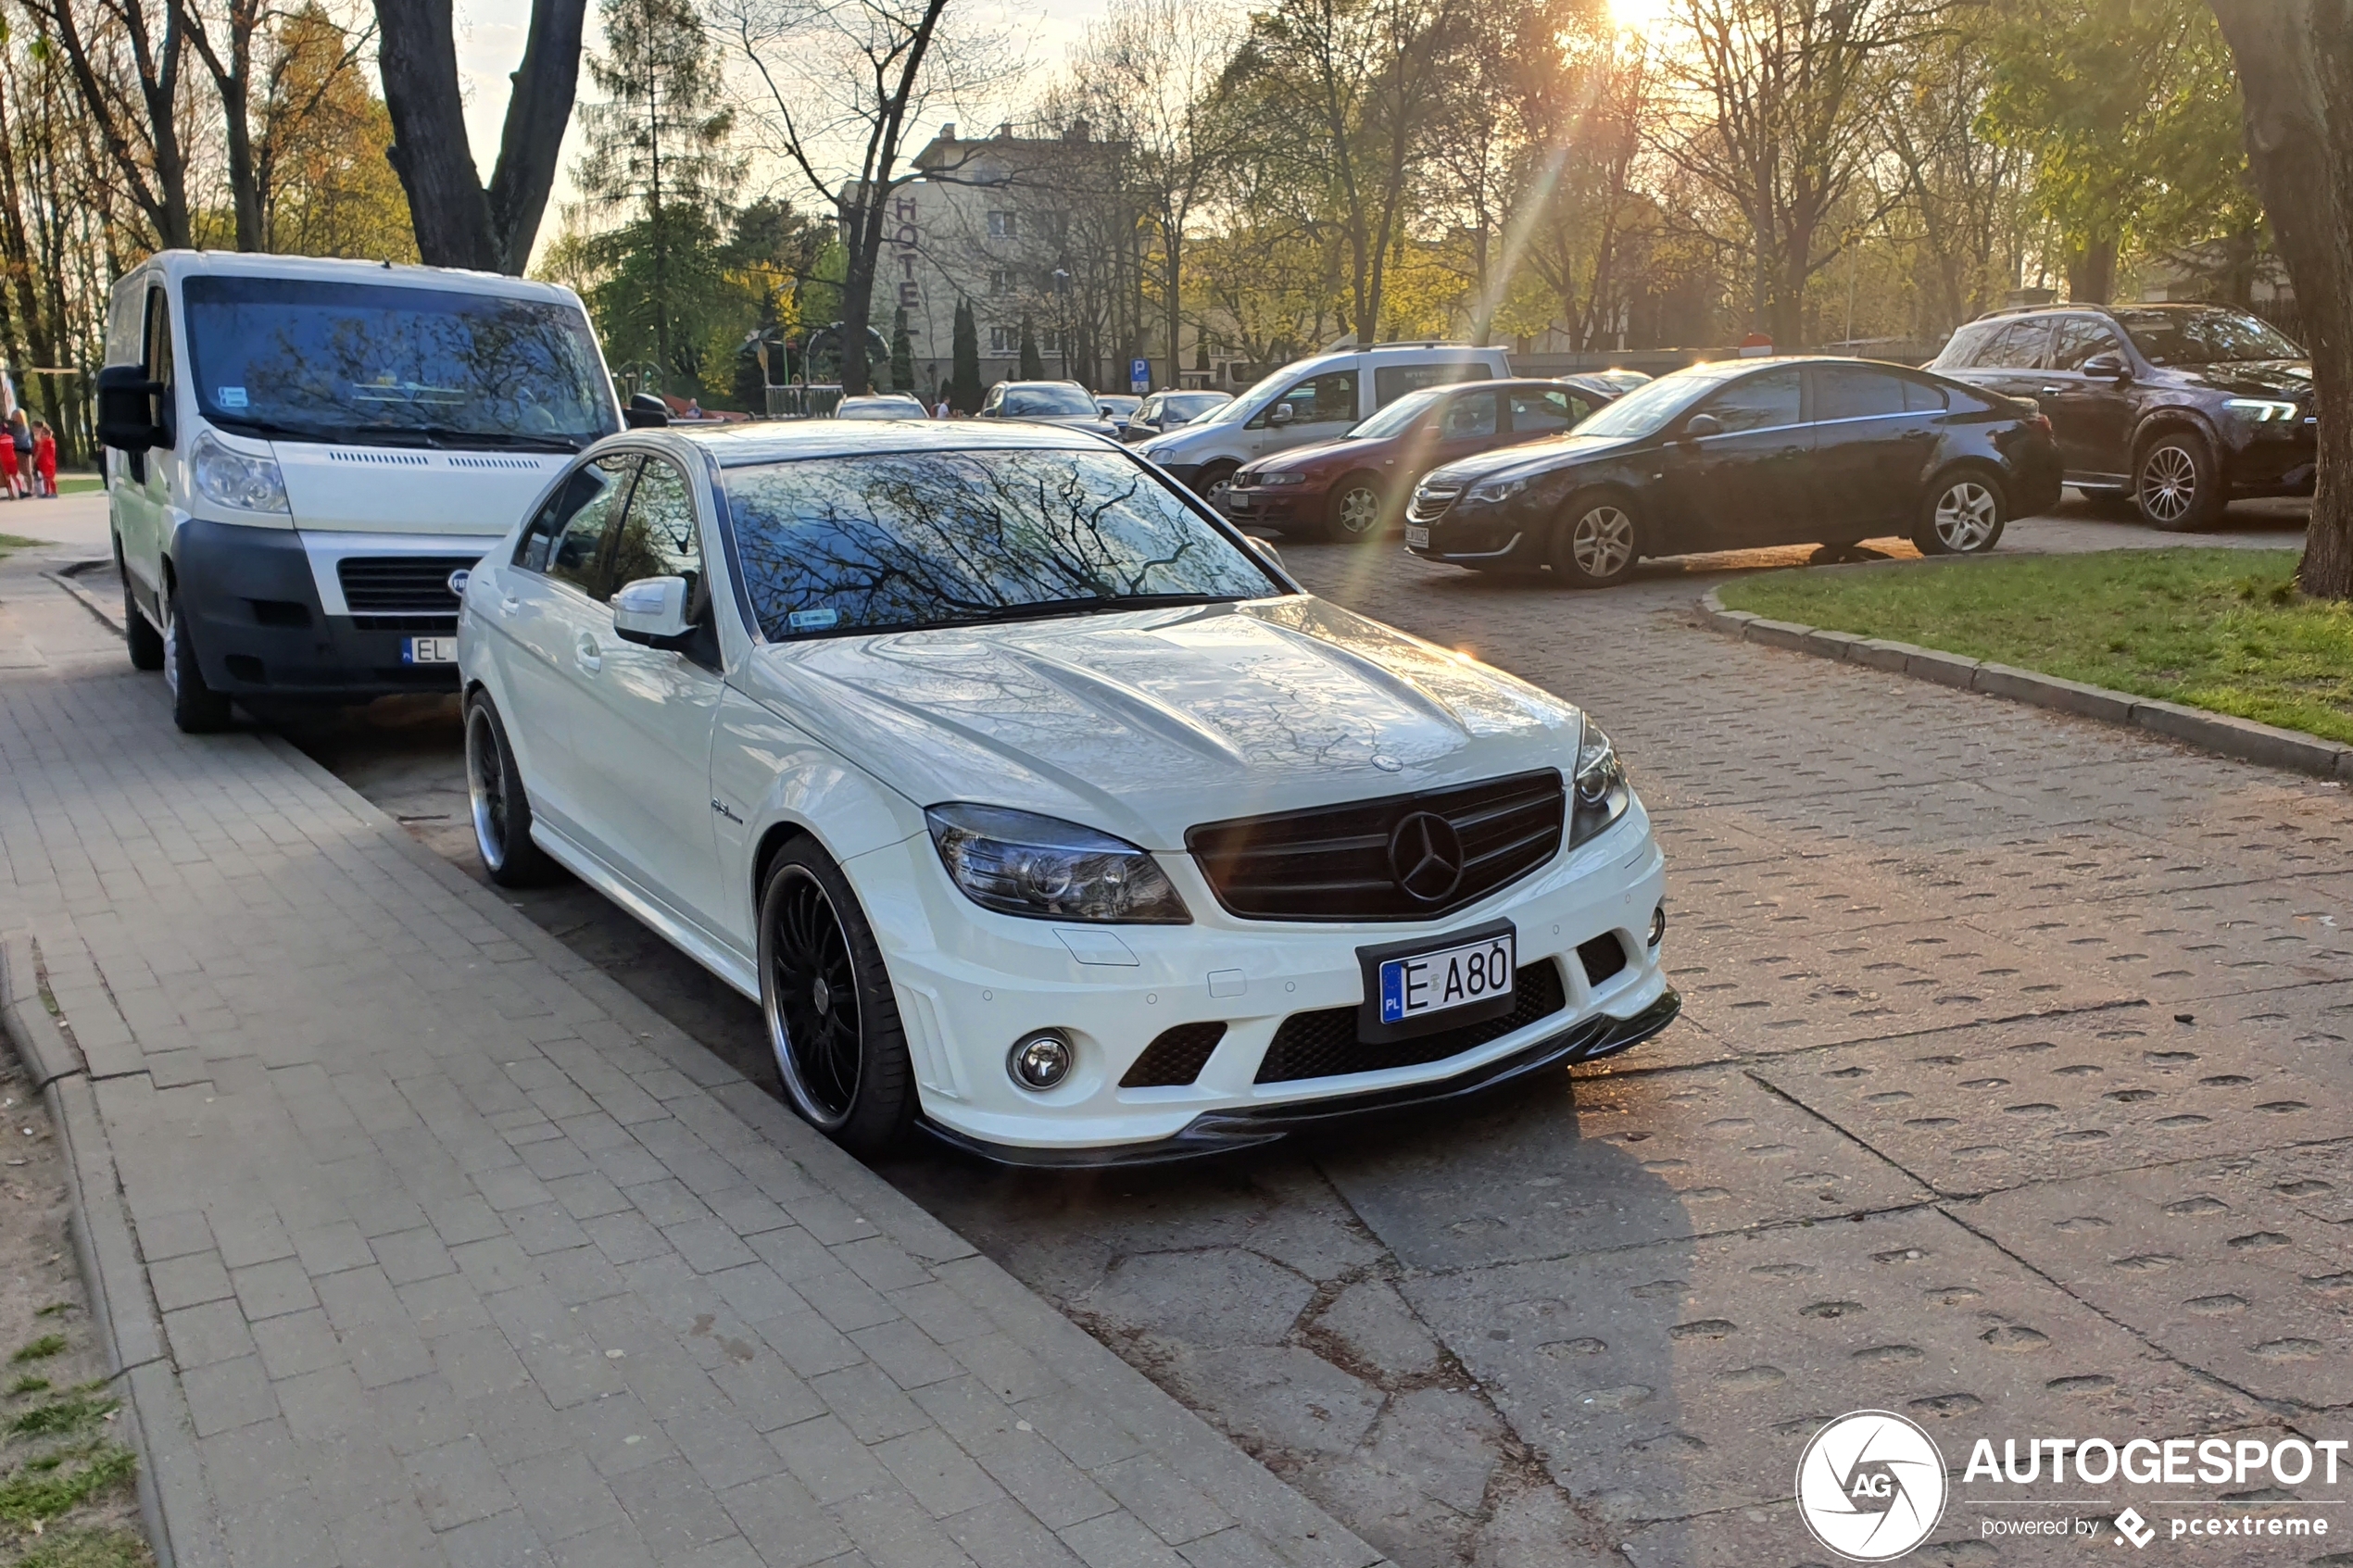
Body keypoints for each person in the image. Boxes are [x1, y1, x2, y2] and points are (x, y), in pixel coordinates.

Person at [8, 411, 31, 498]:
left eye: (16, 416)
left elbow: (19, 438)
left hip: (23, 449)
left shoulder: (23, 427)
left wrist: (10, 436)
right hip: (17, 449)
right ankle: (25, 488)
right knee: (21, 471)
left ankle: (30, 489)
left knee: (26, 470)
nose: (14, 418)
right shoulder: (14, 426)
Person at [31, 420, 56, 497]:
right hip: (48, 461)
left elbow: (39, 451)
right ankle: (48, 491)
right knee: (46, 477)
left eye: (43, 434)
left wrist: (34, 459)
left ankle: (52, 492)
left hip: (46, 462)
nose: (41, 436)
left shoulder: (45, 442)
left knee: (49, 478)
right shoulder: (51, 441)